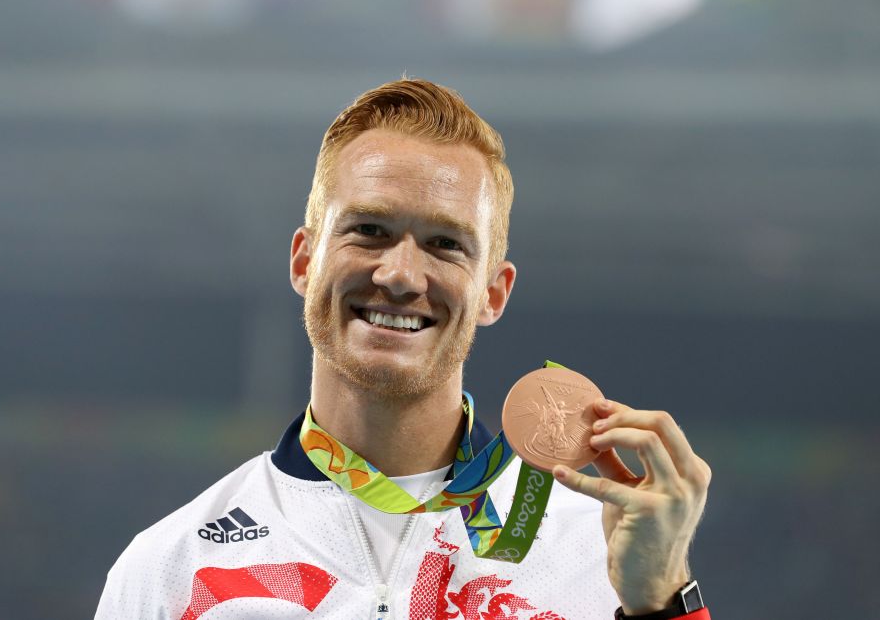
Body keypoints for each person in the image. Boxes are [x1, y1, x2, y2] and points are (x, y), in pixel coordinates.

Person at [94, 78, 712, 620]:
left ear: (494, 294)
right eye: (370, 230)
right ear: (305, 261)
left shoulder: (597, 552)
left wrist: (662, 601)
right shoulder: (172, 567)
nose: (400, 275)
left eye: (446, 244)